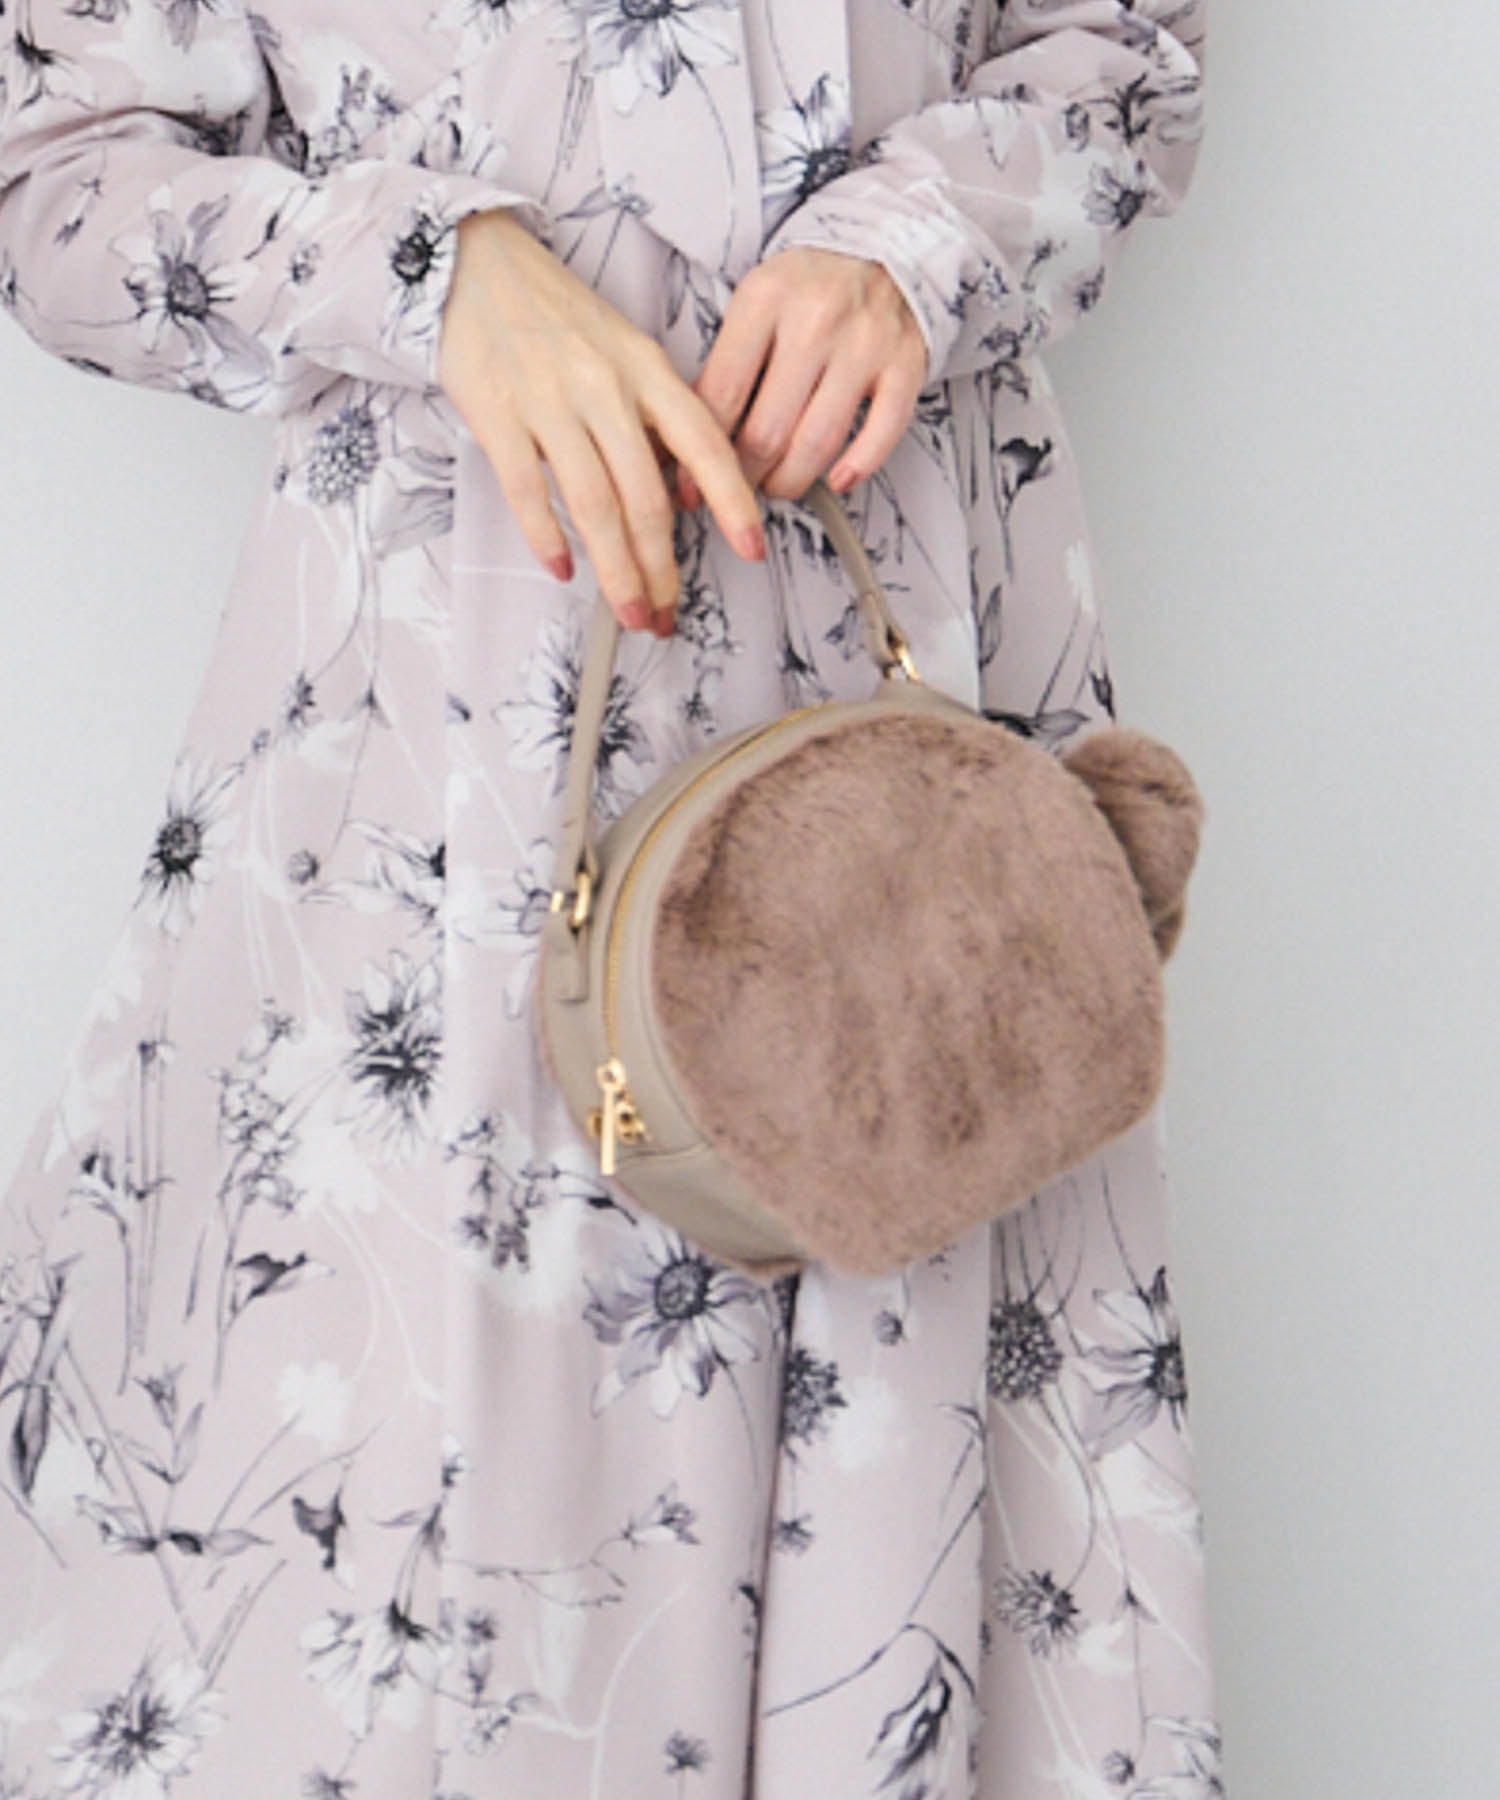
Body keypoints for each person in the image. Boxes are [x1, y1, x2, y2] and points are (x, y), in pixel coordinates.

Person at [0, 2, 1219, 1795]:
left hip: (907, 732)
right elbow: (58, 179)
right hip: (437, 750)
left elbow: (1124, 57)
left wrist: (913, 239)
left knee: (893, 1477)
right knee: (409, 1556)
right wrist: (435, 275)